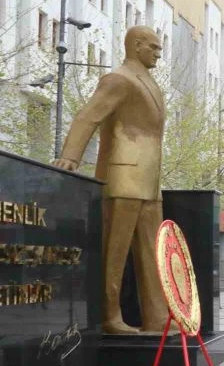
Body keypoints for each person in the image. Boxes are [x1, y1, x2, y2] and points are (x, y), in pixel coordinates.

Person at [53, 26, 170, 335]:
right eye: (154, 47)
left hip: (149, 179)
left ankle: (157, 318)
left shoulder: (149, 82)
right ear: (137, 45)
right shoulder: (119, 79)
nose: (158, 54)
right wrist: (70, 156)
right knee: (114, 253)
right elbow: (88, 115)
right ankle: (108, 315)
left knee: (153, 252)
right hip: (122, 175)